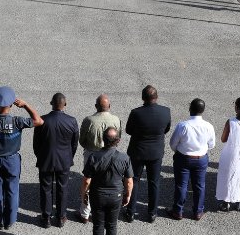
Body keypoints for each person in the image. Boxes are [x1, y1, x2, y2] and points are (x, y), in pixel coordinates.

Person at [0, 86, 43, 230]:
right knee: (12, 190)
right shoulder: (17, 121)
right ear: (11, 105)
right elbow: (39, 121)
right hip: (12, 160)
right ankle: (9, 220)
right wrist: (26, 105)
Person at [80, 127, 133, 235]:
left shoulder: (94, 157)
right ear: (118, 141)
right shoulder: (124, 158)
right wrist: (128, 195)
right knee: (112, 225)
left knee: (98, 225)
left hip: (98, 195)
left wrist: (84, 194)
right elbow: (129, 181)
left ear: (103, 139)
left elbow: (86, 180)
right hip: (116, 195)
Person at [123, 85, 171, 223]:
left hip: (137, 151)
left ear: (143, 98)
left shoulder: (136, 113)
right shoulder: (165, 111)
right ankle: (152, 213)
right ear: (156, 97)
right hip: (156, 153)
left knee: (134, 180)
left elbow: (128, 130)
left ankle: (130, 212)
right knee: (154, 182)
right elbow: (166, 129)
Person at [32, 93, 79, 228]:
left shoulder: (42, 120)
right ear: (65, 104)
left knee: (46, 188)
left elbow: (36, 144)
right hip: (64, 160)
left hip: (46, 159)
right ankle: (61, 216)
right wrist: (69, 157)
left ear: (51, 103)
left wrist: (40, 156)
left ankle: (46, 217)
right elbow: (74, 143)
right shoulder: (72, 121)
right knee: (62, 188)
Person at [167, 98, 215, 221]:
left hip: (183, 158)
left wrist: (179, 151)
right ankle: (198, 212)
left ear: (190, 109)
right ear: (203, 110)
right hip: (201, 159)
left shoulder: (183, 125)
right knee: (199, 186)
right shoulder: (208, 126)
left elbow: (173, 143)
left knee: (181, 185)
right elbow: (211, 145)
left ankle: (178, 211)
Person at [78, 94, 121, 223]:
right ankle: (104, 210)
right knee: (107, 182)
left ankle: (85, 213)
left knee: (89, 182)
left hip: (92, 154)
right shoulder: (116, 119)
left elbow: (82, 140)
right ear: (109, 106)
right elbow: (118, 137)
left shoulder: (89, 120)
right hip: (110, 154)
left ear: (96, 106)